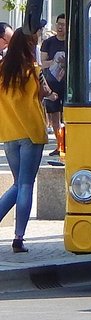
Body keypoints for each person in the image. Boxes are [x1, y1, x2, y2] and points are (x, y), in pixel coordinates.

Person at [0, 28, 49, 252]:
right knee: (26, 184)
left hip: (9, 132)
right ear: (29, 46)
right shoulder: (34, 70)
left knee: (19, 183)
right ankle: (19, 237)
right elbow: (45, 91)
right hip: (32, 132)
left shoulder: (1, 70)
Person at [40, 13, 67, 155]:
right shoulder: (48, 43)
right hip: (52, 83)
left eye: (64, 24)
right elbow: (42, 63)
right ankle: (60, 145)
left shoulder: (71, 41)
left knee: (67, 115)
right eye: (59, 24)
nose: (61, 27)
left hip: (68, 84)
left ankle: (68, 144)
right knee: (54, 116)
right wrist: (55, 61)